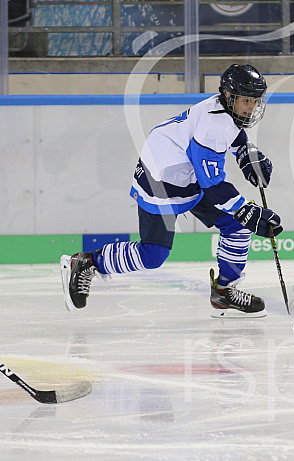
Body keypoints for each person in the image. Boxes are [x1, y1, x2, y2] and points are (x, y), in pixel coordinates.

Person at [60, 64, 282, 319]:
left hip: (186, 174)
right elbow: (212, 184)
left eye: (254, 101)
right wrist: (245, 210)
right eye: (246, 101)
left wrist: (246, 152)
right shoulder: (214, 126)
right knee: (154, 254)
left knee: (238, 225)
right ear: (229, 96)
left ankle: (223, 292)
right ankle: (86, 262)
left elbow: (232, 137)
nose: (251, 108)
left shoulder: (224, 109)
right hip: (162, 182)